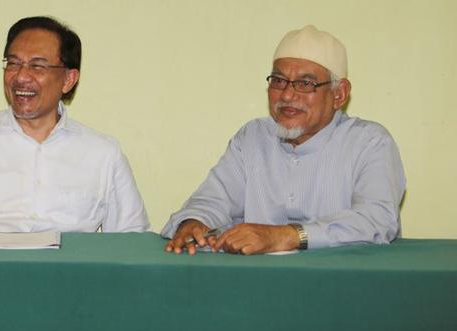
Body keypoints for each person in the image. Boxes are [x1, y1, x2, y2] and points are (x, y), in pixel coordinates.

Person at [162, 25, 406, 255]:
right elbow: (213, 200)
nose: (288, 95)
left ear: (339, 94)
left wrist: (286, 236)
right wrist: (193, 222)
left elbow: (377, 220)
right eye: (278, 81)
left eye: (305, 83)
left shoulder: (369, 143)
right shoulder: (252, 138)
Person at [0, 16, 149, 243]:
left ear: (68, 79)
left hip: (67, 270)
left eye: (37, 66)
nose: (21, 76)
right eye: (13, 63)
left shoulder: (103, 153)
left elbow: (131, 239)